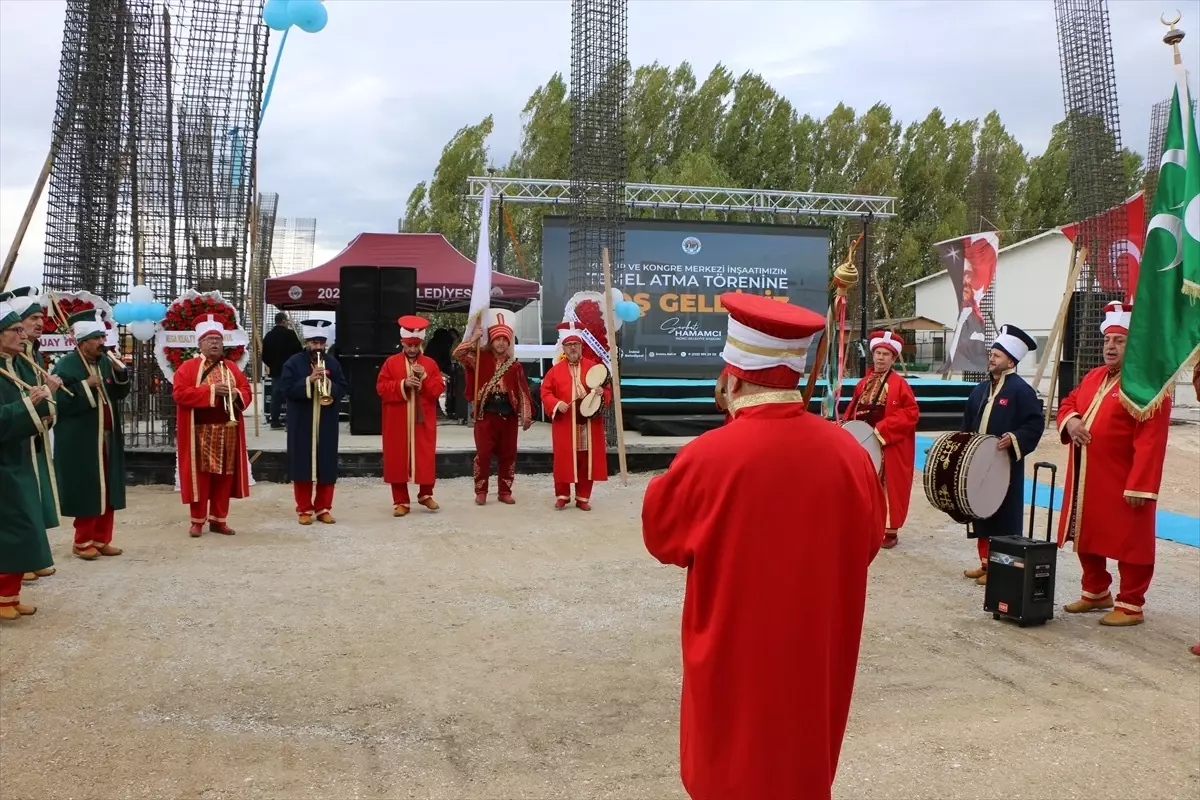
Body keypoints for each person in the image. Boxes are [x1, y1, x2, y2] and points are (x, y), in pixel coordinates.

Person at [642, 292, 886, 800]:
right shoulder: (850, 455)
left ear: (732, 374)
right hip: (812, 657)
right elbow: (867, 542)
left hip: (735, 661)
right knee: (798, 768)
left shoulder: (707, 457)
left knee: (730, 767)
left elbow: (661, 535)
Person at [1056, 302, 1171, 627]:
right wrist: (1072, 421)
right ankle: (1095, 590)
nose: (1110, 346)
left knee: (1130, 542)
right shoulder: (1093, 376)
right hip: (1087, 479)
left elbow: (1152, 438)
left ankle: (1131, 603)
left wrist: (1142, 485)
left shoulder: (1148, 382)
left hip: (1124, 480)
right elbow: (1068, 402)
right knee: (1085, 534)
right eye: (1108, 339)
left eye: (1119, 340)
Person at [960, 324, 1045, 585]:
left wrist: (1015, 438)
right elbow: (967, 423)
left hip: (1004, 464)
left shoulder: (1021, 391)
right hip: (978, 462)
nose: (991, 359)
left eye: (996, 355)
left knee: (1002, 513)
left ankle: (999, 565)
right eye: (991, 354)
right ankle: (986, 564)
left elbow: (1034, 424)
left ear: (1010, 360)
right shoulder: (980, 389)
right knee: (980, 510)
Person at [51, 310, 131, 559]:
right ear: (83, 341)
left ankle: (102, 538)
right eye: (96, 338)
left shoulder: (105, 361)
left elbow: (118, 395)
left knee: (109, 487)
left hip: (107, 436)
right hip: (80, 439)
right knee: (88, 487)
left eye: (102, 336)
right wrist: (86, 385)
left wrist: (121, 375)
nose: (101, 343)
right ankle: (82, 540)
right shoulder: (66, 365)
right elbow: (59, 402)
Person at [172, 314, 252, 537]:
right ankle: (197, 521)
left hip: (228, 429)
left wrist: (235, 393)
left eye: (218, 339)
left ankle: (219, 519)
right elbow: (179, 394)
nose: (215, 343)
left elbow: (246, 390)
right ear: (200, 343)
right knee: (201, 478)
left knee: (224, 477)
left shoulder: (231, 367)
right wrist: (212, 391)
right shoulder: (188, 368)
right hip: (200, 431)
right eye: (210, 339)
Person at [0, 301, 56, 621]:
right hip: (3, 462)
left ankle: (11, 594)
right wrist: (27, 405)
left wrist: (44, 400)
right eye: (16, 329)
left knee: (21, 524)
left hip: (16, 457)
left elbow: (32, 411)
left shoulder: (13, 364)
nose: (23, 334)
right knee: (11, 528)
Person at [844, 330, 919, 549]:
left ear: (893, 358)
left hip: (885, 441)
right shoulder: (863, 382)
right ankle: (865, 524)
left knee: (886, 486)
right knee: (862, 483)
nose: (880, 358)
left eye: (886, 354)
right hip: (863, 441)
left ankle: (889, 529)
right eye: (878, 353)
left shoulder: (899, 384)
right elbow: (853, 408)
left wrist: (882, 430)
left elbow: (911, 412)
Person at [453, 310, 533, 505]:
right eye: (498, 339)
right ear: (492, 340)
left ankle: (504, 491)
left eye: (505, 340)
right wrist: (474, 338)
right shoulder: (479, 358)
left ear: (509, 342)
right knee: (483, 455)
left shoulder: (514, 366)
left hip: (509, 416)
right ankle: (481, 491)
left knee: (508, 455)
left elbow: (523, 391)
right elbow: (458, 354)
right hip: (485, 415)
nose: (501, 343)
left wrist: (527, 414)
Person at [279, 320, 346, 525]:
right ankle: (304, 509)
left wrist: (328, 384)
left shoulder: (333, 363)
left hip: (326, 421)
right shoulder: (293, 362)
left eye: (321, 343)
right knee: (302, 464)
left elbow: (343, 387)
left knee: (326, 464)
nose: (317, 347)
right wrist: (309, 380)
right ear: (306, 342)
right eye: (314, 342)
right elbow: (286, 389)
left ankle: (323, 508)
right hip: (302, 420)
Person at [540, 322, 612, 510]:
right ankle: (562, 496)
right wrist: (556, 403)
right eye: (569, 344)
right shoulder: (554, 371)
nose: (573, 348)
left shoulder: (594, 368)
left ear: (581, 346)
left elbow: (607, 389)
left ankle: (583, 497)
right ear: (563, 347)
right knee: (564, 458)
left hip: (588, 424)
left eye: (576, 344)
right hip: (566, 423)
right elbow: (545, 392)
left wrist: (600, 393)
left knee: (585, 460)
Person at [378, 316, 445, 516]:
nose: (413, 349)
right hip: (397, 419)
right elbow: (381, 388)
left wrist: (424, 377)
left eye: (416, 345)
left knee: (425, 455)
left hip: (423, 419)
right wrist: (403, 384)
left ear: (421, 343)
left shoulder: (430, 364)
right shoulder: (390, 363)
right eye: (409, 345)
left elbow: (438, 390)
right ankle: (400, 501)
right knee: (397, 457)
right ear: (402, 343)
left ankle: (426, 494)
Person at [261, 312, 303, 430]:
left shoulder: (269, 336)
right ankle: (290, 422)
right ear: (284, 321)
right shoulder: (290, 334)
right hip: (290, 370)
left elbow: (264, 356)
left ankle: (274, 421)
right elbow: (299, 352)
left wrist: (272, 365)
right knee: (291, 395)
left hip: (275, 370)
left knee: (276, 396)